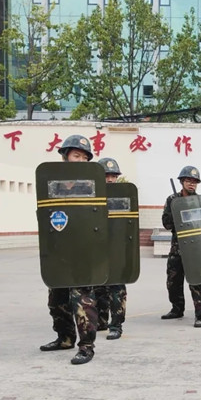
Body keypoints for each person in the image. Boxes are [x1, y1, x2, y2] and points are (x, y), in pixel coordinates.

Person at [39, 134, 99, 365]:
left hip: (84, 252)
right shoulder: (53, 184)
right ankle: (64, 338)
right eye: (76, 155)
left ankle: (86, 346)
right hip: (59, 252)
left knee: (82, 300)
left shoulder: (91, 186)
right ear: (65, 157)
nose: (81, 161)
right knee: (57, 299)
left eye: (85, 157)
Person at [160, 166, 201, 328]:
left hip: (195, 248)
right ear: (182, 182)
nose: (191, 184)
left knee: (196, 282)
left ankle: (199, 314)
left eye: (194, 181)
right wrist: (174, 212)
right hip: (177, 248)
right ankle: (177, 309)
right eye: (188, 180)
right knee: (173, 281)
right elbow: (166, 224)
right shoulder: (172, 199)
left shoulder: (200, 201)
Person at [94, 157, 128, 340]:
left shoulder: (122, 198)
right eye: (106, 175)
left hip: (116, 249)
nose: (110, 179)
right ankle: (100, 321)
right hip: (97, 249)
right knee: (98, 287)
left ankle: (116, 325)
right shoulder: (91, 197)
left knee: (116, 288)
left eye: (113, 176)